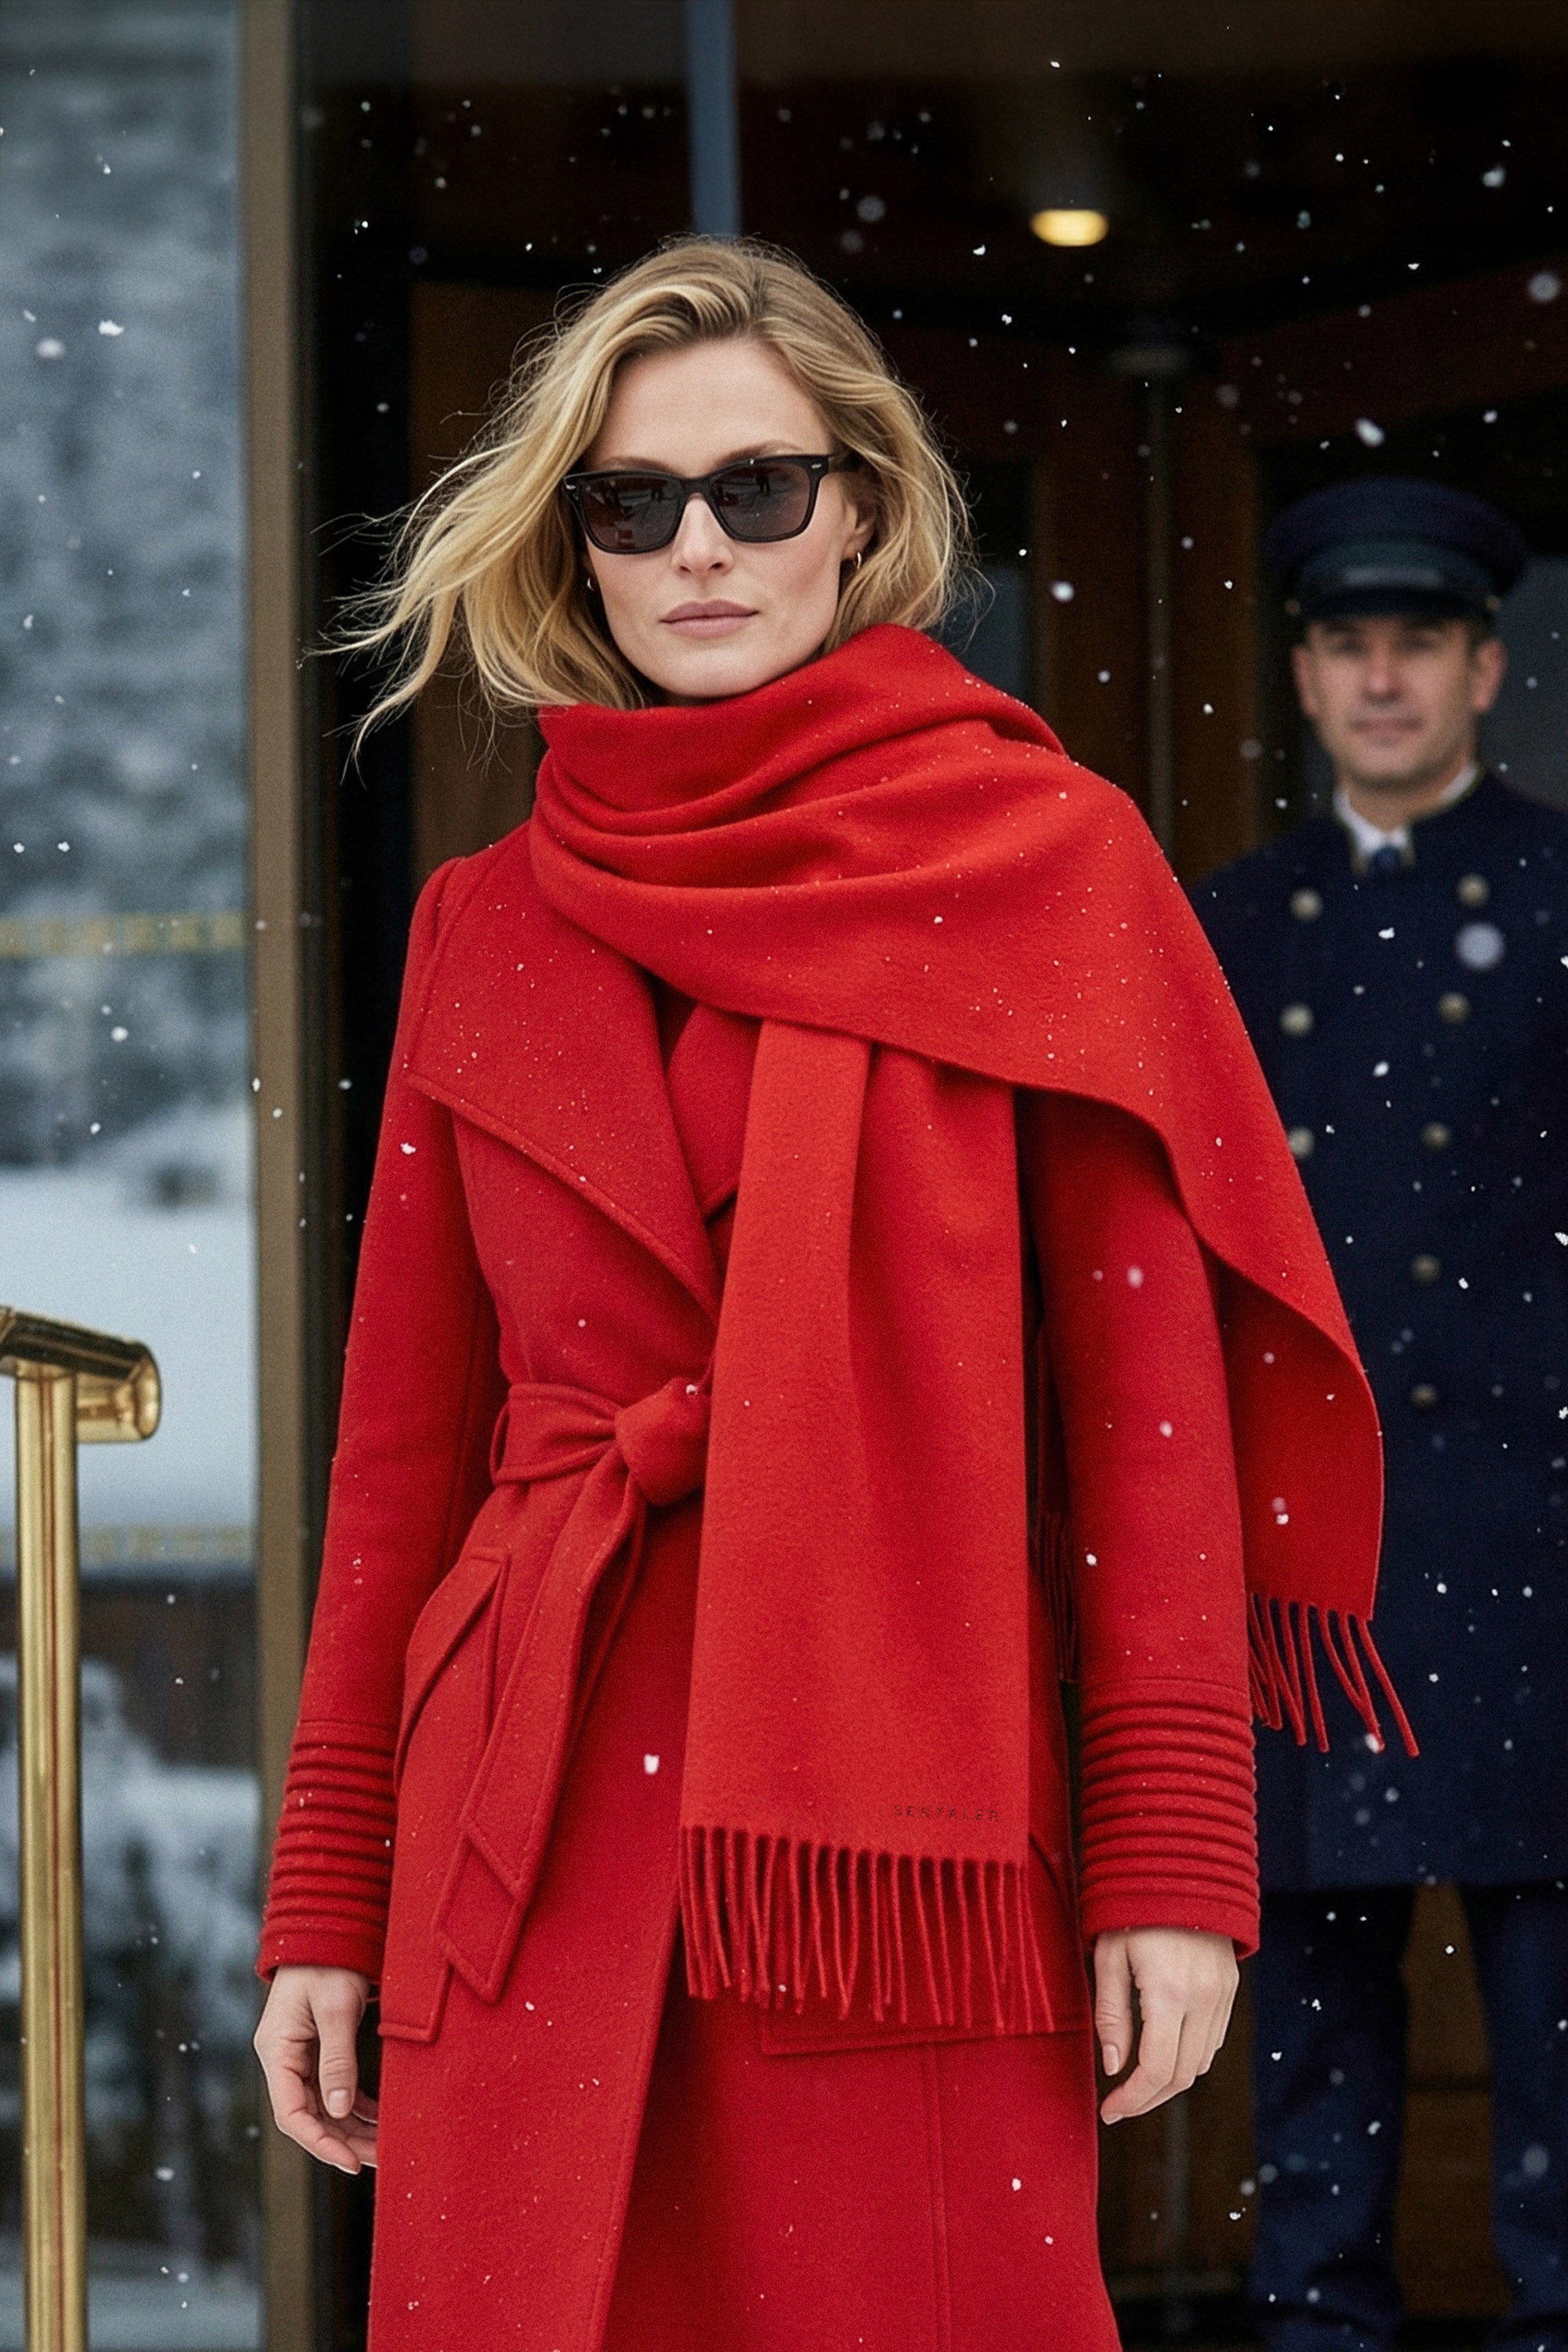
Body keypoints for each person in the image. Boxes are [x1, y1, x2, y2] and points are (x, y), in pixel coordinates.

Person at [252, 238, 1394, 2352]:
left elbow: (1149, 1425)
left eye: (757, 489)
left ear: (863, 510)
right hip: (529, 1841)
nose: (698, 546)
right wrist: (327, 1898)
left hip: (897, 1850)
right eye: (631, 501)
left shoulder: (1046, 866)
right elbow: (405, 1460)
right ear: (572, 541)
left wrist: (1171, 1867)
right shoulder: (481, 924)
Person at [1196, 476, 1568, 2352]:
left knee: (1559, 2091)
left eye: (1418, 641)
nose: (1383, 677)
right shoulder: (1228, 929)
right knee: (1314, 2087)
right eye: (1348, 643)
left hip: (1538, 1550)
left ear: (1485, 664)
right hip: (1308, 1567)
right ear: (1305, 670)